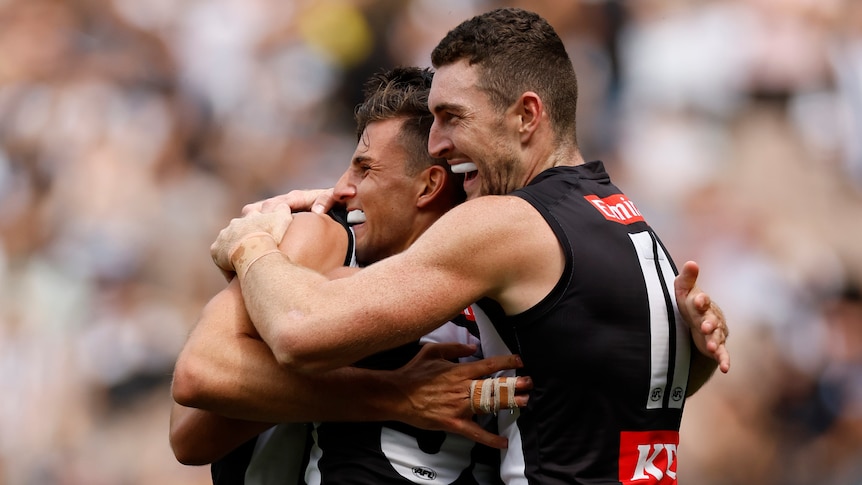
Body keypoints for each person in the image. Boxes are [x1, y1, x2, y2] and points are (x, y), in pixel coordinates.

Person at [210, 7, 730, 485]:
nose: (436, 143)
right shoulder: (628, 221)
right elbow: (612, 391)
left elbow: (300, 334)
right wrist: (696, 352)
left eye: (452, 117)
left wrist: (251, 245)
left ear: (526, 116)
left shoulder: (509, 223)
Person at [170, 67, 531, 484]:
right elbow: (194, 414)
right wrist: (394, 396)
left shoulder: (332, 256)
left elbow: (196, 393)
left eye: (364, 168)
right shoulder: (511, 273)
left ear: (428, 185)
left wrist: (250, 248)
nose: (340, 188)